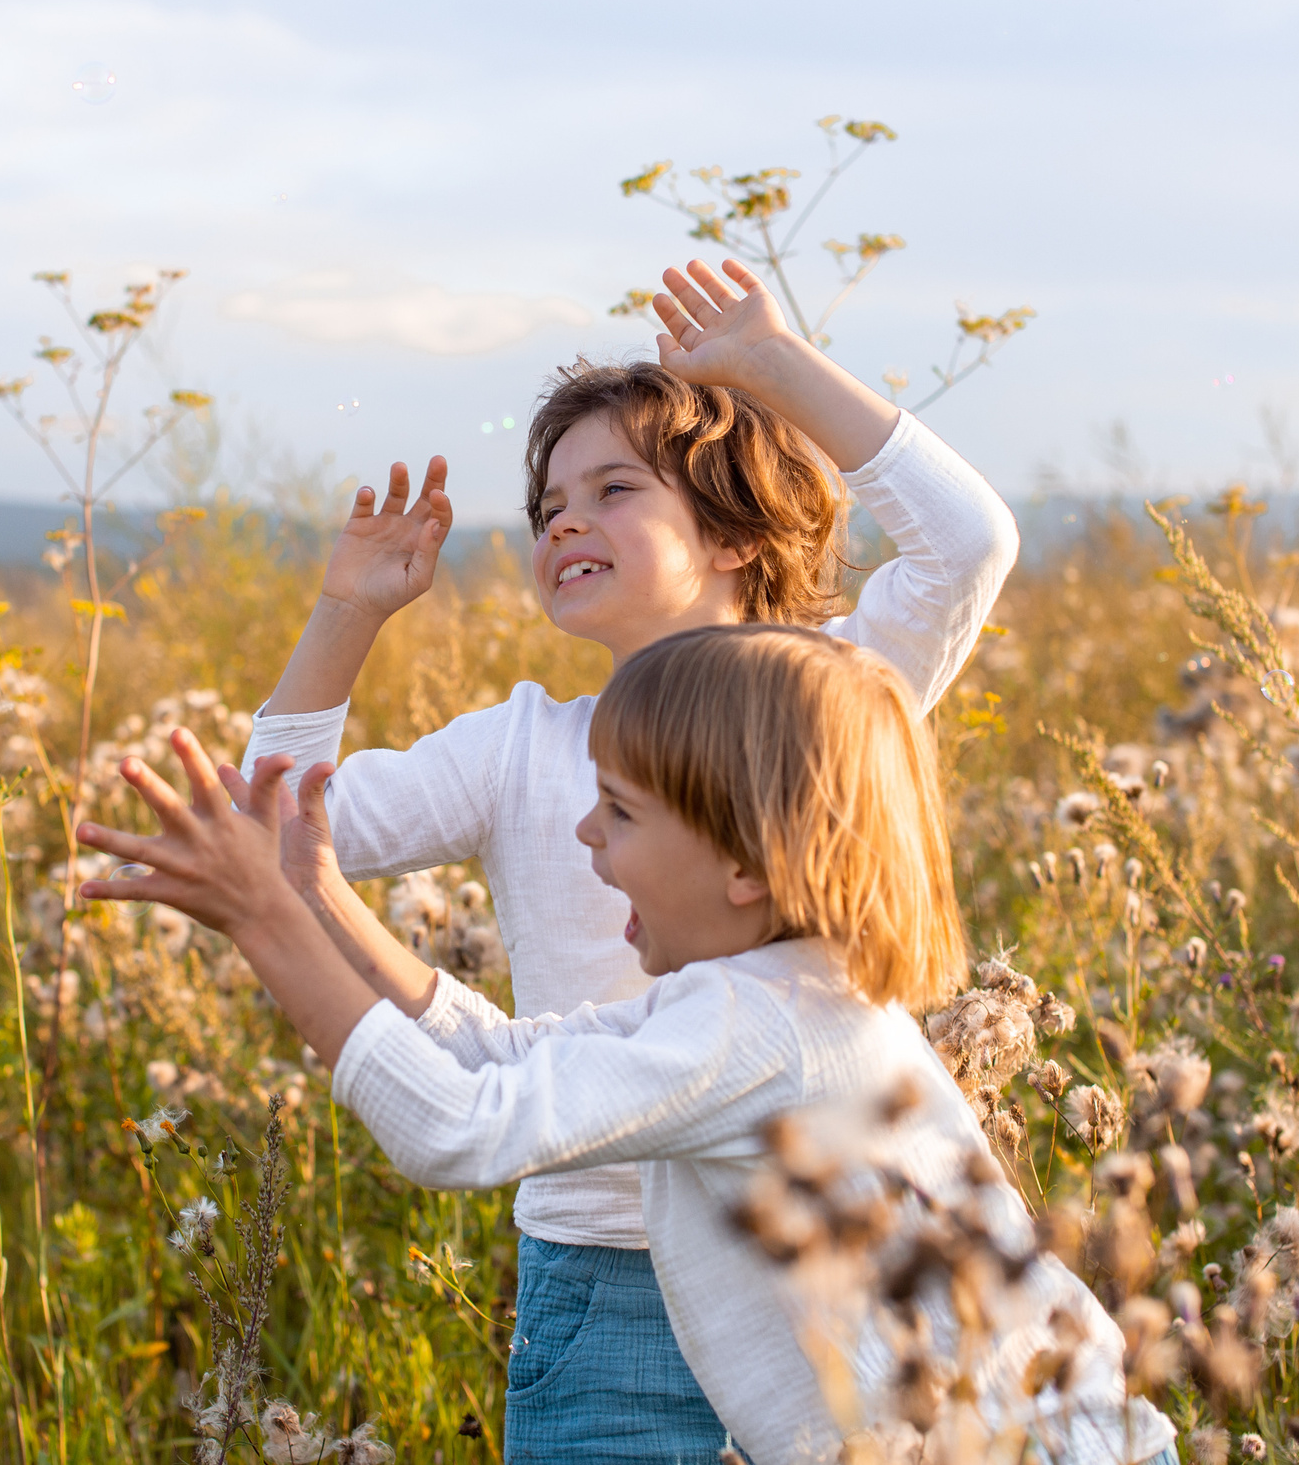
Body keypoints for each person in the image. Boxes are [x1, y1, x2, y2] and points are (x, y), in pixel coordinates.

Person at [240, 256, 1021, 1453]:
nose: (565, 520)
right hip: (607, 1286)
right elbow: (278, 824)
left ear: (732, 532)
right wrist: (346, 611)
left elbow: (964, 544)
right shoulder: (516, 748)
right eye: (549, 502)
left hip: (821, 1270)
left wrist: (772, 367)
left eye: (613, 489)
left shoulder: (816, 704)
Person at [77, 625, 1176, 1465]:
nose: (584, 831)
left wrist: (264, 922)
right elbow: (508, 1060)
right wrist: (316, 891)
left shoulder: (754, 1024)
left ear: (747, 862)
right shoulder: (782, 993)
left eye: (620, 809)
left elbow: (458, 1127)